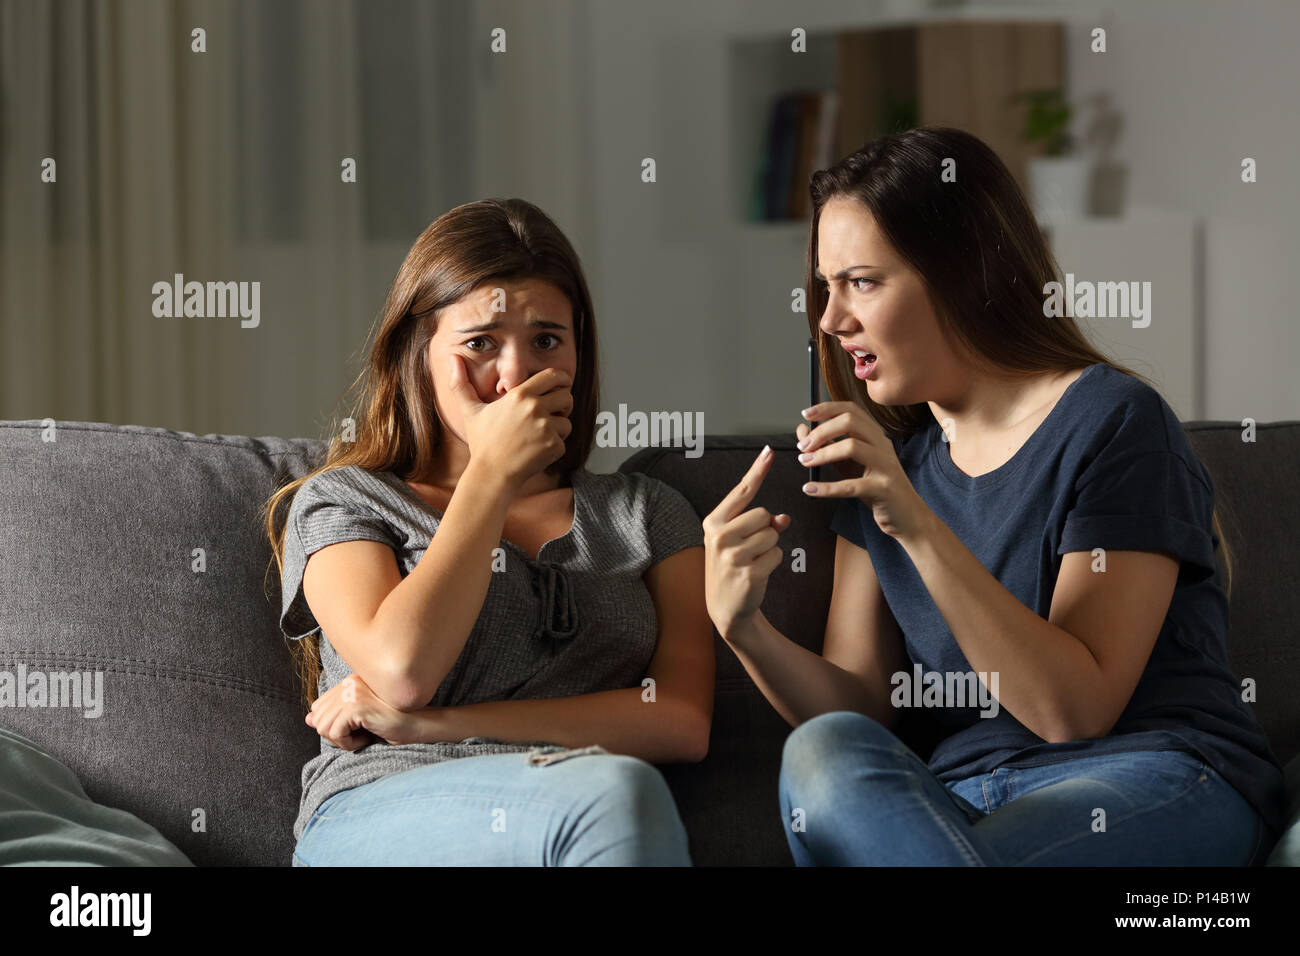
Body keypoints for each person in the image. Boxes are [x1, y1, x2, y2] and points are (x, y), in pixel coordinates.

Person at [701, 126, 1285, 866]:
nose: (829, 318)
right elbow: (865, 711)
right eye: (825, 286)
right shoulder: (892, 468)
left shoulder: (1115, 423)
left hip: (1146, 775)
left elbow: (1073, 711)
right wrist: (743, 628)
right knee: (826, 749)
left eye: (862, 281)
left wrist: (915, 525)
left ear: (964, 273)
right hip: (955, 804)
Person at [264, 198, 711, 866]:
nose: (516, 375)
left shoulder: (649, 513)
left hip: (578, 811)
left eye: (547, 341)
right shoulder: (346, 501)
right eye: (481, 343)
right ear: (420, 352)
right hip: (379, 808)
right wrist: (491, 478)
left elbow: (679, 720)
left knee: (618, 795)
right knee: (613, 797)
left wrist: (437, 728)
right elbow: (402, 672)